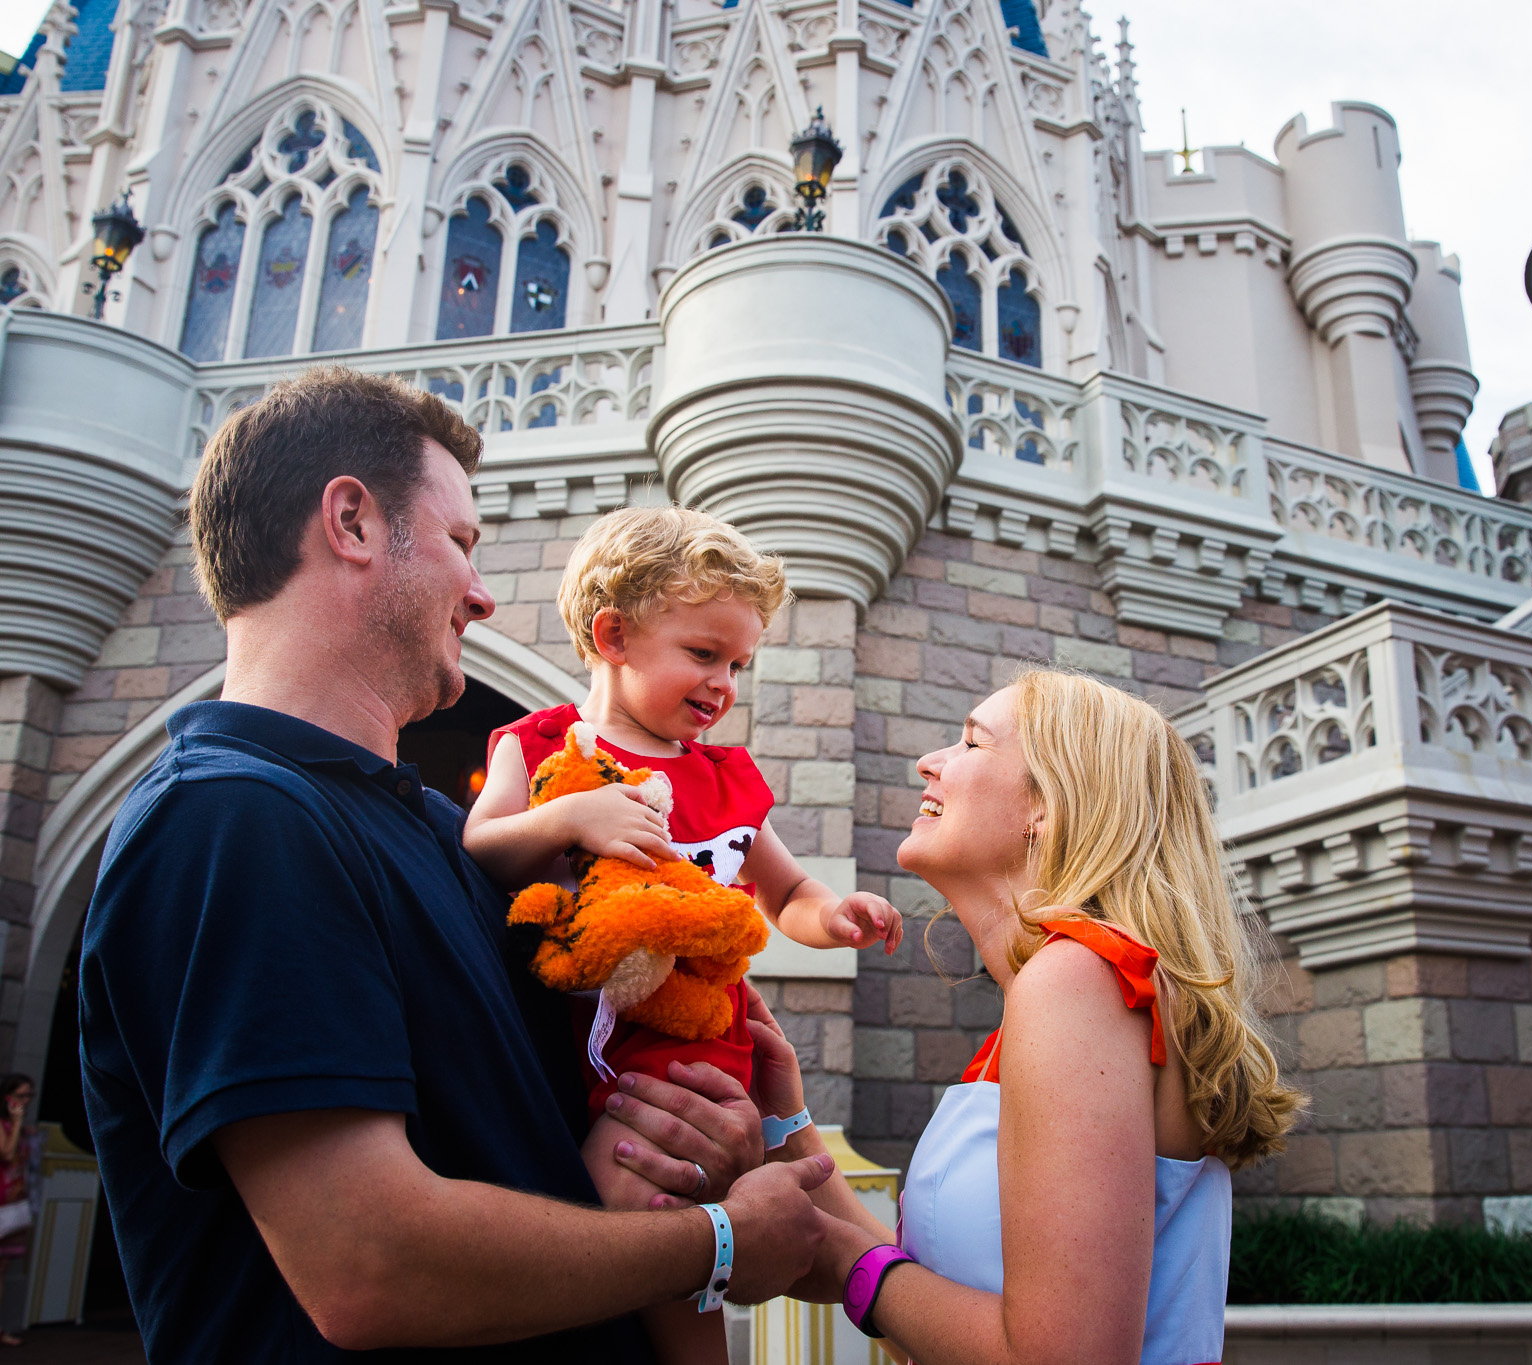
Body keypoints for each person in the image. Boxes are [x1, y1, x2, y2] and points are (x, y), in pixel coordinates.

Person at [78, 367, 836, 1364]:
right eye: (462, 545)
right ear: (349, 521)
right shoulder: (231, 817)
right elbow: (368, 1266)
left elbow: (565, 1122)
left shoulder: (442, 833)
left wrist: (729, 1126)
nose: (481, 594)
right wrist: (719, 1243)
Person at [462, 504, 904, 1361]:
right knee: (617, 1250)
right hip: (576, 1043)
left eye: (739, 662)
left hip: (692, 1060)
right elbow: (479, 846)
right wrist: (574, 816)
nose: (724, 683)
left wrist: (833, 916)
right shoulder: (540, 745)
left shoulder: (726, 777)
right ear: (614, 634)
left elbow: (786, 892)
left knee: (665, 1233)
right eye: (704, 653)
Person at [789, 670, 1306, 1363]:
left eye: (971, 741)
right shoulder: (1078, 990)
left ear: (1049, 809)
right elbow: (952, 1281)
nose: (930, 761)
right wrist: (784, 1116)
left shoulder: (1075, 979)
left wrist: (861, 1276)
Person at [0, 1073, 35, 1347]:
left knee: (2, 1270)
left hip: (13, 1203)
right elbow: (7, 1155)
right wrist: (17, 1121)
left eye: (29, 1096)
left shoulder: (20, 1128)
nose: (26, 1101)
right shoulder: (4, 1125)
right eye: (21, 1095)